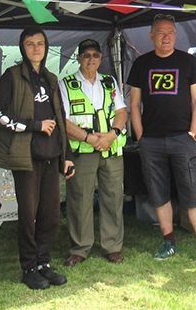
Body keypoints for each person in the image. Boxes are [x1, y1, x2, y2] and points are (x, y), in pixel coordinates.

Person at [127, 14, 196, 267]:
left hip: (182, 139)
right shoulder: (141, 64)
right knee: (158, 193)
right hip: (151, 141)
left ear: (175, 35)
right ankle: (168, 241)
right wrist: (141, 136)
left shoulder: (188, 62)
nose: (165, 37)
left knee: (192, 191)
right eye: (160, 32)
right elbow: (134, 104)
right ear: (151, 36)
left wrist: (192, 132)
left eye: (170, 32)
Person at [0, 27, 75, 290]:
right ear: (22, 48)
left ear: (46, 47)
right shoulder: (12, 77)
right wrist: (33, 125)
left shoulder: (50, 78)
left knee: (50, 214)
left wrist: (66, 156)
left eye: (40, 43)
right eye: (30, 44)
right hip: (26, 157)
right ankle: (28, 267)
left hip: (51, 156)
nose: (36, 48)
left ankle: (43, 263)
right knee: (29, 214)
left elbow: (60, 119)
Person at [60, 38, 128, 266]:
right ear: (79, 58)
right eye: (86, 55)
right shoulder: (66, 84)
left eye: (95, 55)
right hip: (83, 151)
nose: (91, 59)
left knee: (113, 197)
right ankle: (80, 248)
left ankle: (113, 246)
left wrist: (112, 135)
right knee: (80, 199)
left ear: (101, 59)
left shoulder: (109, 82)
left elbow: (121, 112)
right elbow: (64, 121)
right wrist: (89, 138)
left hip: (111, 148)